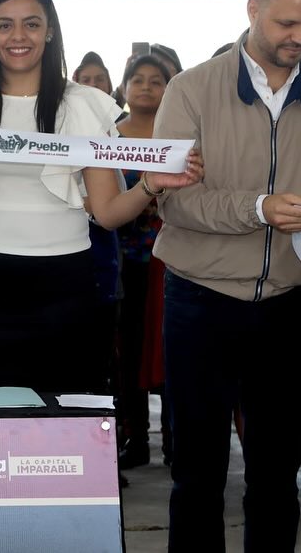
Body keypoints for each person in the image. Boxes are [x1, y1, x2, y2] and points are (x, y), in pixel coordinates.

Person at [152, 0, 301, 551]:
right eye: (286, 24)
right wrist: (258, 209)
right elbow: (176, 204)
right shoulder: (191, 90)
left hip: (291, 307)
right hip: (201, 301)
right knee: (197, 474)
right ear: (253, 9)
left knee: (276, 476)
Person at [0, 0, 201, 394]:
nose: (18, 36)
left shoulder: (83, 105)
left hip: (63, 286)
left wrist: (150, 185)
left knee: (59, 434)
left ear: (50, 30)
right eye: (4, 25)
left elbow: (107, 213)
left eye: (31, 24)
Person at [113, 55, 172, 470]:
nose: (147, 87)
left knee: (171, 352)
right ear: (124, 88)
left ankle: (176, 437)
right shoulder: (109, 137)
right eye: (138, 80)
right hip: (122, 263)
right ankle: (134, 436)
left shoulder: (179, 136)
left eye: (157, 80)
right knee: (128, 353)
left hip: (169, 264)